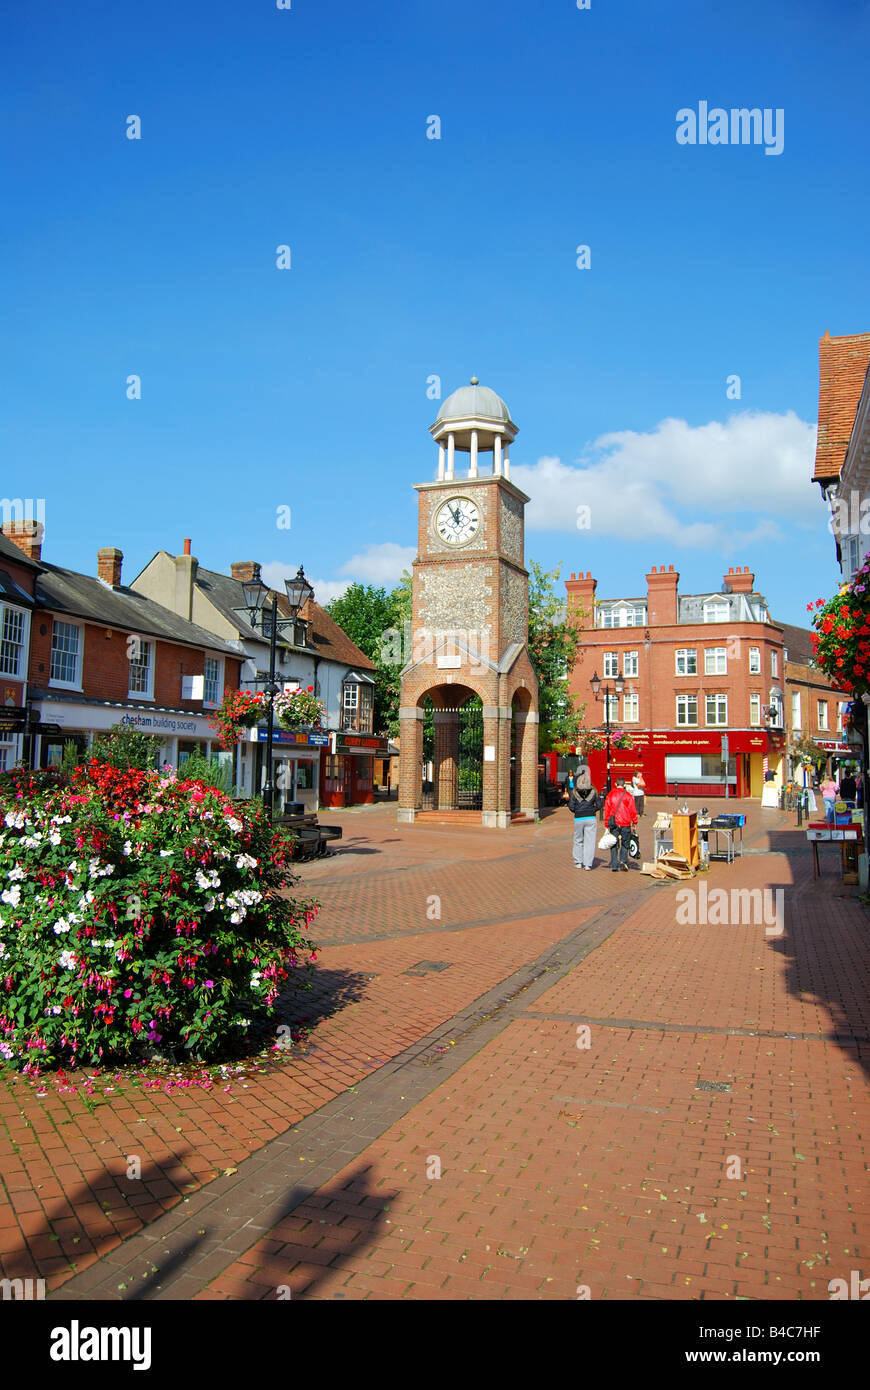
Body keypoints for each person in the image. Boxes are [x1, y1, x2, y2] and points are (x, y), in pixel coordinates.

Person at [563, 766, 602, 870]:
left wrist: (577, 811)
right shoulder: (594, 791)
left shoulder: (575, 792)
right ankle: (588, 864)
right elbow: (599, 805)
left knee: (578, 840)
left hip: (579, 818)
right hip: (590, 817)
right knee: (590, 841)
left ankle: (578, 862)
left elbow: (571, 806)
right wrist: (592, 810)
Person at [603, 775, 639, 872]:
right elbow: (632, 811)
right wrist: (634, 822)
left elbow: (607, 811)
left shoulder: (610, 795)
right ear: (624, 785)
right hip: (625, 823)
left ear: (615, 784)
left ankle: (614, 864)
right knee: (625, 843)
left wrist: (606, 825)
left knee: (613, 844)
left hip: (614, 823)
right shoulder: (628, 796)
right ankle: (623, 860)